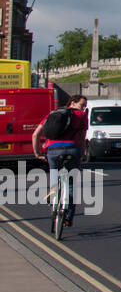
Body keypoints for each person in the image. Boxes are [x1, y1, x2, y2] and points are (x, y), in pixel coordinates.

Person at [32, 96, 89, 226]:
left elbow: (35, 134)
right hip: (72, 150)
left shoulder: (54, 113)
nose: (84, 107)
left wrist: (37, 153)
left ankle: (53, 194)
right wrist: (83, 153)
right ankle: (68, 217)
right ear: (73, 103)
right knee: (71, 184)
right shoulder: (81, 115)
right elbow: (82, 136)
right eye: (82, 104)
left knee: (54, 173)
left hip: (53, 150)